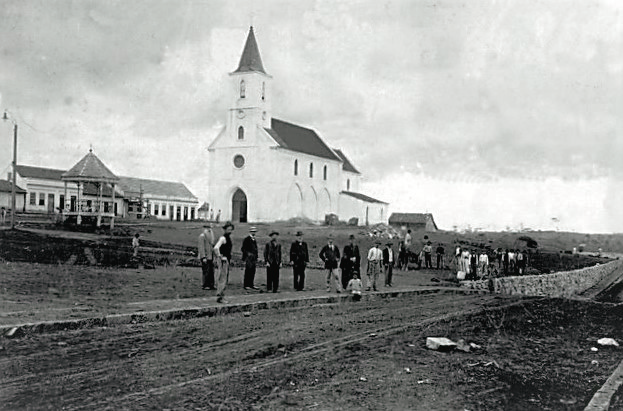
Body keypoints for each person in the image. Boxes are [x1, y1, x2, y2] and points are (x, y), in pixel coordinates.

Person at [213, 221, 234, 303]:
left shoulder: (228, 238)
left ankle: (222, 295)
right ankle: (220, 296)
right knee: (222, 278)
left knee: (225, 278)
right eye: (228, 229)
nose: (230, 231)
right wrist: (220, 256)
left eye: (231, 229)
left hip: (227, 260)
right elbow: (216, 248)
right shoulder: (223, 238)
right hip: (223, 260)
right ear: (225, 230)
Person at [198, 223, 216, 290]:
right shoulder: (202, 236)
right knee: (206, 271)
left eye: (209, 228)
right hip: (205, 257)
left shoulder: (211, 236)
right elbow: (201, 247)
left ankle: (211, 284)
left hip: (210, 256)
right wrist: (203, 257)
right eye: (207, 228)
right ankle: (205, 285)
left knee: (211, 271)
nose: (209, 229)